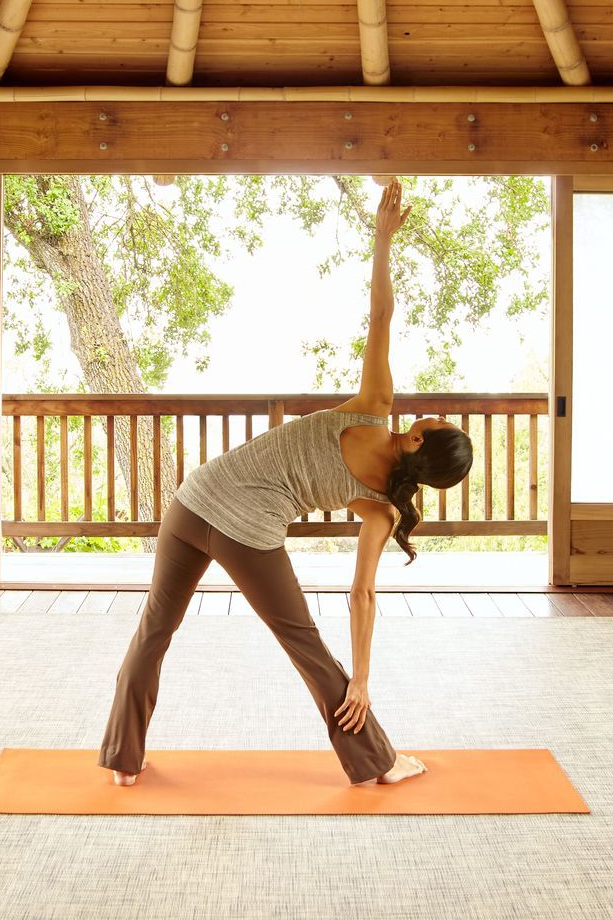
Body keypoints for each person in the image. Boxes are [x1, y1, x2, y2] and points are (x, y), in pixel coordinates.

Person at [97, 178, 474, 787]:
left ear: (416, 442)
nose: (427, 416)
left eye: (432, 424)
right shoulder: (382, 509)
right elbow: (362, 597)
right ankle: (376, 763)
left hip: (192, 502)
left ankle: (123, 761)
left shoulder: (373, 405)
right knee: (304, 645)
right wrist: (362, 676)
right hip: (240, 528)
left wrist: (382, 241)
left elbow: (380, 313)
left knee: (154, 630)